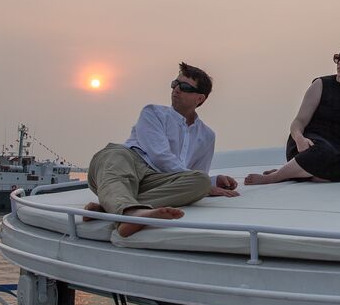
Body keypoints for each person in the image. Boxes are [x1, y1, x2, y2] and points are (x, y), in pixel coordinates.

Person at [84, 63, 239, 237]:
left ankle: (114, 208)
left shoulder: (207, 136)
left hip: (157, 180)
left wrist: (211, 182)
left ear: (199, 98)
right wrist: (209, 186)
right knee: (116, 155)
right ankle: (129, 212)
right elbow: (159, 156)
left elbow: (193, 174)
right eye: (175, 84)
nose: (176, 90)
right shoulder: (153, 113)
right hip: (129, 162)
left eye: (185, 87)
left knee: (201, 181)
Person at [244, 42, 340, 185]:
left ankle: (296, 173)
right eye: (338, 58)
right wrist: (299, 139)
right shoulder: (321, 85)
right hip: (310, 143)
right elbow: (299, 122)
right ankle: (275, 177)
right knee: (322, 151)